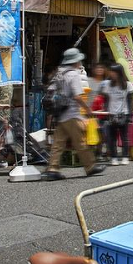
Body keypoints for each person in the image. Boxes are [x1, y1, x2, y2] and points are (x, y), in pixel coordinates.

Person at [43, 48, 106, 181]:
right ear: (75, 61)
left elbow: (50, 90)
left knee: (58, 143)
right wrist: (87, 109)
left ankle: (52, 169)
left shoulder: (59, 73)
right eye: (79, 60)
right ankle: (90, 166)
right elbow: (78, 96)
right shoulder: (74, 74)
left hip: (60, 114)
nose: (80, 62)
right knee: (80, 142)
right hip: (72, 113)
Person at [100, 64, 133, 166]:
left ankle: (125, 156)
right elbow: (105, 100)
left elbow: (130, 101)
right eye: (111, 71)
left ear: (119, 73)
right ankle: (114, 157)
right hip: (111, 114)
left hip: (124, 113)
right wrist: (105, 112)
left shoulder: (128, 85)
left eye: (113, 72)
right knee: (111, 138)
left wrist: (130, 116)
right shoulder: (107, 85)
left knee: (124, 137)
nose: (111, 74)